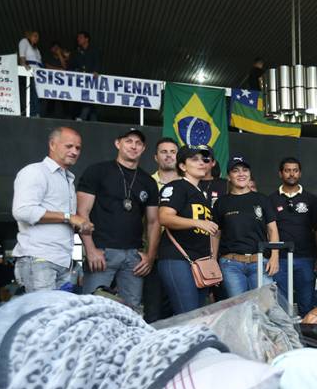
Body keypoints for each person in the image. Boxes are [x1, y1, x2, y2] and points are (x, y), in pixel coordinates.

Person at [76, 129, 159, 308]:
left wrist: (150, 256)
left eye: (138, 143)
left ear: (143, 148)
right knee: (94, 307)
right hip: (102, 252)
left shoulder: (148, 181)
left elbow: (153, 221)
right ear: (118, 143)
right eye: (129, 141)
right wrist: (90, 249)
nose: (133, 146)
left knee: (132, 309)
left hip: (133, 256)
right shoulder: (97, 171)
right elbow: (82, 213)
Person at [12, 127, 93, 292]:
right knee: (43, 316)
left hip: (62, 261)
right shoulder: (35, 172)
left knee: (56, 316)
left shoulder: (67, 179)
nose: (74, 151)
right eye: (69, 146)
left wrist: (79, 226)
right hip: (39, 259)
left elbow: (60, 221)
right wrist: (69, 217)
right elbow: (22, 211)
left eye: (78, 148)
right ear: (52, 145)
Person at [157, 145, 219, 314]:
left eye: (204, 159)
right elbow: (164, 217)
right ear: (183, 166)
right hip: (178, 258)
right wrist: (198, 223)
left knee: (197, 314)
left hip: (199, 262)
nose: (201, 163)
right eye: (194, 159)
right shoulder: (177, 186)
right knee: (188, 315)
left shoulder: (201, 193)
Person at [214, 156, 279, 298]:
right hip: (231, 264)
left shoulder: (262, 199)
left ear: (249, 174)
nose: (241, 174)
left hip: (260, 262)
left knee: (267, 305)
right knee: (239, 308)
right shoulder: (221, 203)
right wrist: (213, 261)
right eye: (236, 171)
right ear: (228, 176)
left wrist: (275, 256)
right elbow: (216, 234)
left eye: (245, 170)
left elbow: (272, 229)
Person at [270, 157, 317, 316]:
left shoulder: (311, 199)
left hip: (305, 258)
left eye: (295, 170)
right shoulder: (270, 199)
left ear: (300, 173)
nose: (291, 174)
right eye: (287, 170)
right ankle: (285, 339)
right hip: (280, 260)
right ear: (280, 173)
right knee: (281, 304)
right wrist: (273, 256)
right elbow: (269, 230)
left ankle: (308, 341)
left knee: (306, 304)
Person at [143, 138, 179, 322]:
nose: (168, 155)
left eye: (172, 151)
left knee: (181, 310)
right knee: (153, 312)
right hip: (153, 256)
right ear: (155, 157)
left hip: (181, 256)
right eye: (164, 152)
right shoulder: (146, 182)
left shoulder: (188, 184)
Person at [70, 31, 100, 121]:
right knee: (82, 99)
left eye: (80, 37)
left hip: (92, 80)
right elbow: (71, 65)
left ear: (86, 39)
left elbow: (98, 62)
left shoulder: (94, 50)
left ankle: (83, 117)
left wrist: (96, 71)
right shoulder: (76, 52)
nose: (78, 39)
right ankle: (90, 120)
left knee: (89, 98)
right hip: (80, 80)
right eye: (78, 38)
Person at [18, 30, 42, 117]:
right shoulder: (24, 41)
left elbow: (40, 61)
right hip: (29, 72)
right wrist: (25, 66)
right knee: (32, 92)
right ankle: (32, 112)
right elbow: (22, 56)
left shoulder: (36, 49)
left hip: (38, 74)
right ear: (29, 35)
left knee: (37, 93)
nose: (37, 38)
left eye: (38, 36)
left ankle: (36, 112)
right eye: (35, 35)